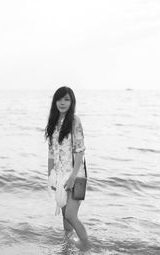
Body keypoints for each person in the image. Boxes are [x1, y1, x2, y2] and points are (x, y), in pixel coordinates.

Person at [45, 86, 90, 252]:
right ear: (55, 101)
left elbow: (80, 151)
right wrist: (51, 176)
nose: (62, 103)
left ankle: (86, 248)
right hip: (59, 175)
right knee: (65, 218)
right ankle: (68, 248)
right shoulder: (53, 122)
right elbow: (51, 154)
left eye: (66, 99)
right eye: (60, 99)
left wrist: (72, 177)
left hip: (75, 175)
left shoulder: (74, 121)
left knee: (71, 215)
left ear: (72, 102)